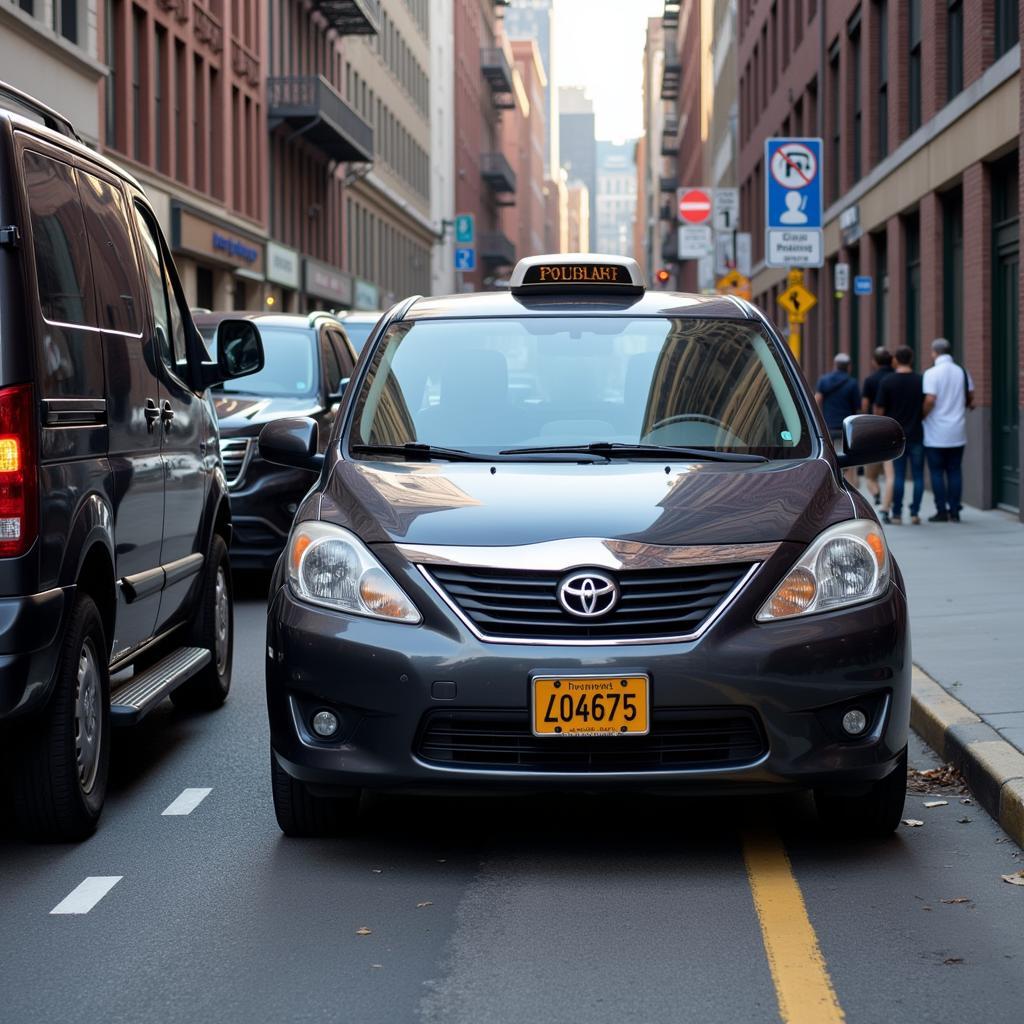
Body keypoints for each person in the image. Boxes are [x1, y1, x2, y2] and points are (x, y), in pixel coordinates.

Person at [922, 337, 974, 522]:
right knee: (954, 470)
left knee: (936, 472)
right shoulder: (962, 372)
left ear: (934, 352)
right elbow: (970, 397)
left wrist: (922, 415)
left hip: (935, 431)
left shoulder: (931, 373)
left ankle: (941, 511)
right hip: (957, 430)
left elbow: (929, 400)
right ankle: (955, 510)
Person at [874, 346, 924, 525]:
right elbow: (925, 406)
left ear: (896, 359)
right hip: (917, 433)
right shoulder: (920, 380)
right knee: (918, 475)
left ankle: (896, 514)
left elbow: (879, 410)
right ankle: (915, 513)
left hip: (896, 436)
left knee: (899, 475)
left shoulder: (887, 381)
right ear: (911, 359)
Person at [815, 352, 860, 485]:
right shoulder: (852, 383)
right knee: (849, 459)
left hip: (828, 426)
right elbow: (858, 407)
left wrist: (818, 419)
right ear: (849, 367)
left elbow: (817, 400)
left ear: (835, 365)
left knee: (829, 458)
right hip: (846, 428)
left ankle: (831, 484)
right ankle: (851, 487)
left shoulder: (823, 380)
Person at [861, 347, 895, 511]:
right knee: (892, 474)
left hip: (875, 433)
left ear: (874, 362)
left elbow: (865, 405)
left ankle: (877, 496)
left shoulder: (870, 380)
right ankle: (891, 501)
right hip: (895, 431)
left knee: (870, 476)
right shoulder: (894, 378)